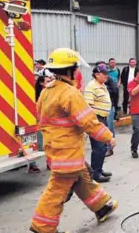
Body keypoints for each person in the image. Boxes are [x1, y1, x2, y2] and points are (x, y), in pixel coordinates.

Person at [30, 48, 118, 233]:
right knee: (56, 191)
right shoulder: (70, 93)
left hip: (56, 150)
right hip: (67, 152)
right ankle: (42, 228)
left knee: (82, 177)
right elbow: (89, 122)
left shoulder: (47, 91)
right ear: (71, 69)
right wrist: (108, 137)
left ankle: (102, 206)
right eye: (76, 68)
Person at [84, 63, 114, 182]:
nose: (106, 75)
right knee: (98, 147)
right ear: (96, 74)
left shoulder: (101, 85)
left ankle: (99, 169)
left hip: (103, 118)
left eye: (107, 73)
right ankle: (95, 173)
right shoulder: (91, 86)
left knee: (103, 146)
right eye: (104, 73)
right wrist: (94, 122)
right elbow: (88, 106)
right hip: (96, 119)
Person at [95, 61, 119, 158]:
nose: (104, 74)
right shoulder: (94, 84)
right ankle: (103, 146)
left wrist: (115, 106)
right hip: (98, 109)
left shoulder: (109, 81)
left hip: (109, 107)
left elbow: (115, 92)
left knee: (109, 127)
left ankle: (110, 147)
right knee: (101, 128)